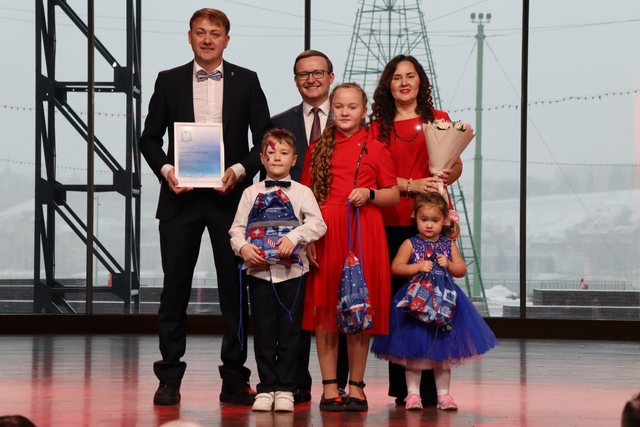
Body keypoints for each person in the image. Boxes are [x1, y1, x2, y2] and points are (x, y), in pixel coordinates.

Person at [139, 8, 272, 406]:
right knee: (174, 291)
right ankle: (169, 376)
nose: (208, 39)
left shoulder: (247, 80)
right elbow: (149, 138)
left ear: (227, 40)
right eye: (200, 32)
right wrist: (167, 171)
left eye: (215, 33)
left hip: (229, 201)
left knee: (234, 292)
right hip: (179, 201)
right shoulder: (168, 80)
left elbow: (263, 139)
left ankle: (234, 378)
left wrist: (239, 170)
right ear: (190, 37)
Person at [368, 54, 463, 407]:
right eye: (397, 77)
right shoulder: (376, 127)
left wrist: (445, 176)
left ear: (421, 81)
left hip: (431, 220)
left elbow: (456, 165)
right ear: (388, 85)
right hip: (390, 222)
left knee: (437, 302)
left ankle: (435, 390)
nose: (404, 82)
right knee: (402, 306)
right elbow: (373, 176)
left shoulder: (438, 119)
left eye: (410, 76)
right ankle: (405, 390)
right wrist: (412, 185)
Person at [300, 82, 400, 412]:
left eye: (352, 107)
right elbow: (303, 197)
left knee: (359, 309)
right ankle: (330, 387)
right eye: (339, 106)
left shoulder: (377, 148)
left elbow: (392, 195)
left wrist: (369, 194)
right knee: (326, 310)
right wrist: (307, 237)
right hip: (326, 231)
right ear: (331, 109)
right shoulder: (316, 148)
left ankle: (357, 387)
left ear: (364, 111)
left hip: (364, 231)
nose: (345, 112)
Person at [270, 49, 349, 404]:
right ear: (295, 80)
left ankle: (339, 383)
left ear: (331, 77)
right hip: (293, 231)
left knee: (339, 304)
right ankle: (296, 382)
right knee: (298, 309)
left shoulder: (348, 118)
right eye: (303, 74)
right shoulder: (279, 122)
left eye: (318, 73)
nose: (311, 79)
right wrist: (298, 232)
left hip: (341, 226)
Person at [229, 128, 327, 412]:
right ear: (262, 158)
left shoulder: (303, 192)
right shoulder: (250, 193)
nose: (276, 158)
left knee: (290, 333)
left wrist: (294, 237)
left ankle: (286, 387)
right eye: (271, 153)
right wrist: (243, 247)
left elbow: (318, 224)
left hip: (293, 274)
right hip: (259, 274)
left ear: (294, 159)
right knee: (263, 332)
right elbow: (236, 229)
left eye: (284, 153)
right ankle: (266, 388)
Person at [371, 192, 497, 411]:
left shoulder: (449, 245)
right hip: (416, 304)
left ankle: (443, 395)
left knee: (443, 352)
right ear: (415, 218)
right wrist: (417, 267)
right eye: (424, 219)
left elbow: (461, 270)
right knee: (413, 352)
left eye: (435, 220)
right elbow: (396, 268)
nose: (429, 225)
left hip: (444, 304)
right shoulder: (410, 244)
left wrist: (449, 264)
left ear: (444, 220)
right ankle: (412, 395)